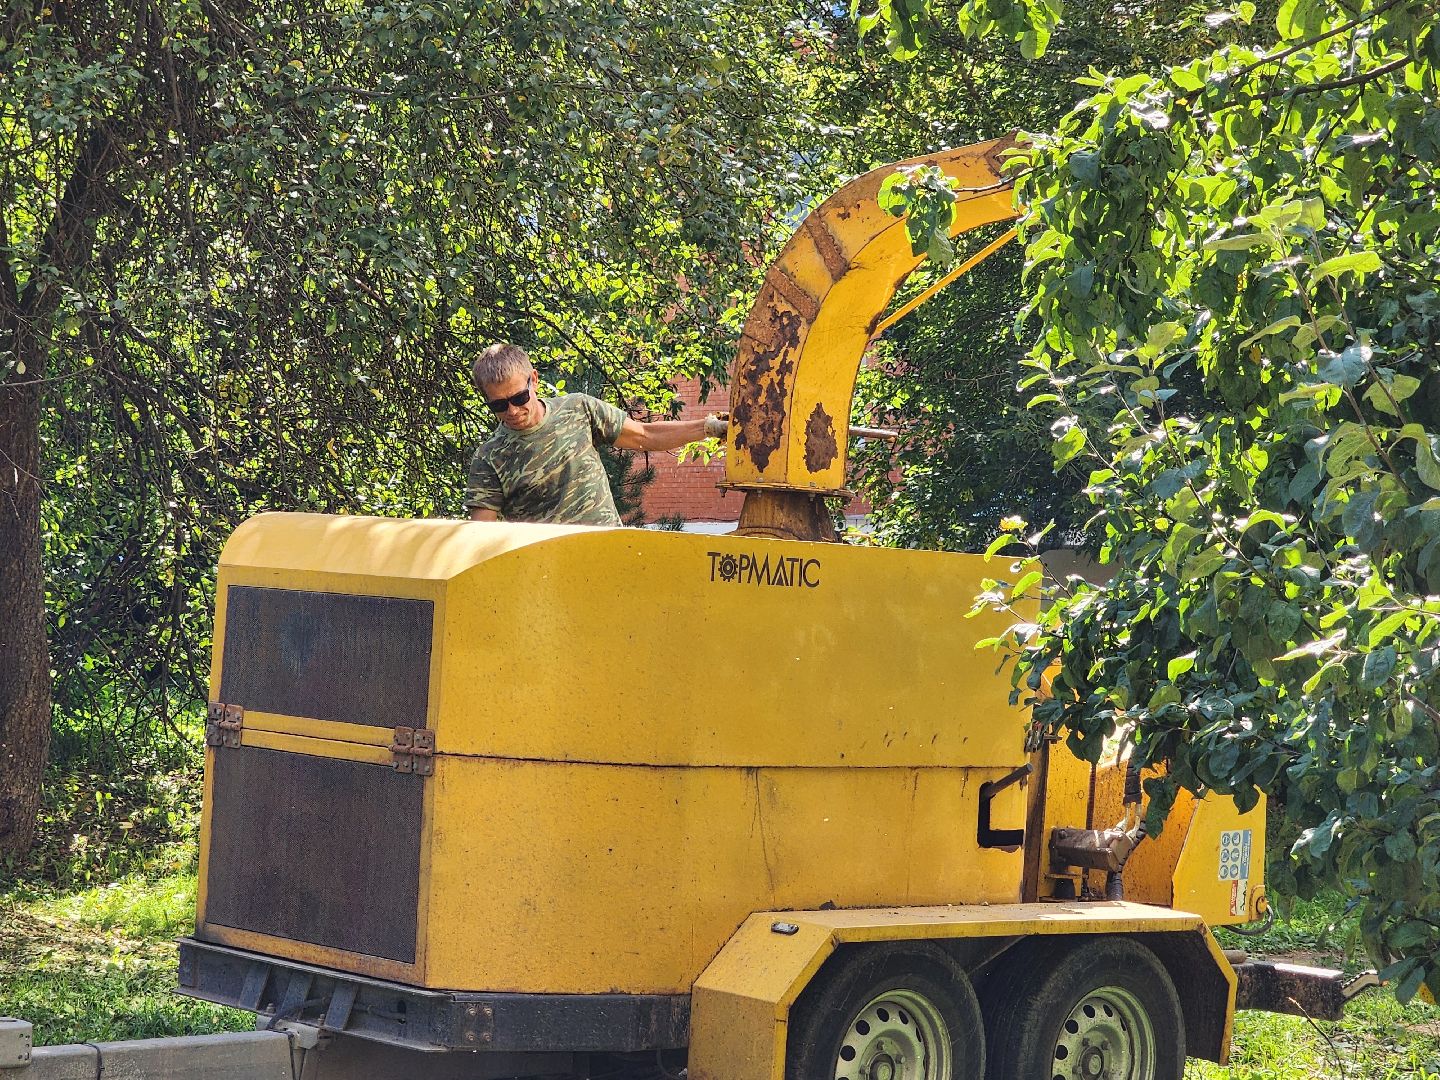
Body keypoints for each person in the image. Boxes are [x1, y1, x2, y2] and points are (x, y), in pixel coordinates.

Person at [465, 343, 726, 526]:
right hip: (545, 576)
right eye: (498, 405)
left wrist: (708, 427)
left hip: (608, 555)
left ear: (534, 379)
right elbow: (483, 535)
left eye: (519, 397)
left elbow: (644, 435)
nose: (512, 410)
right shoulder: (490, 457)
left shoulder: (578, 409)